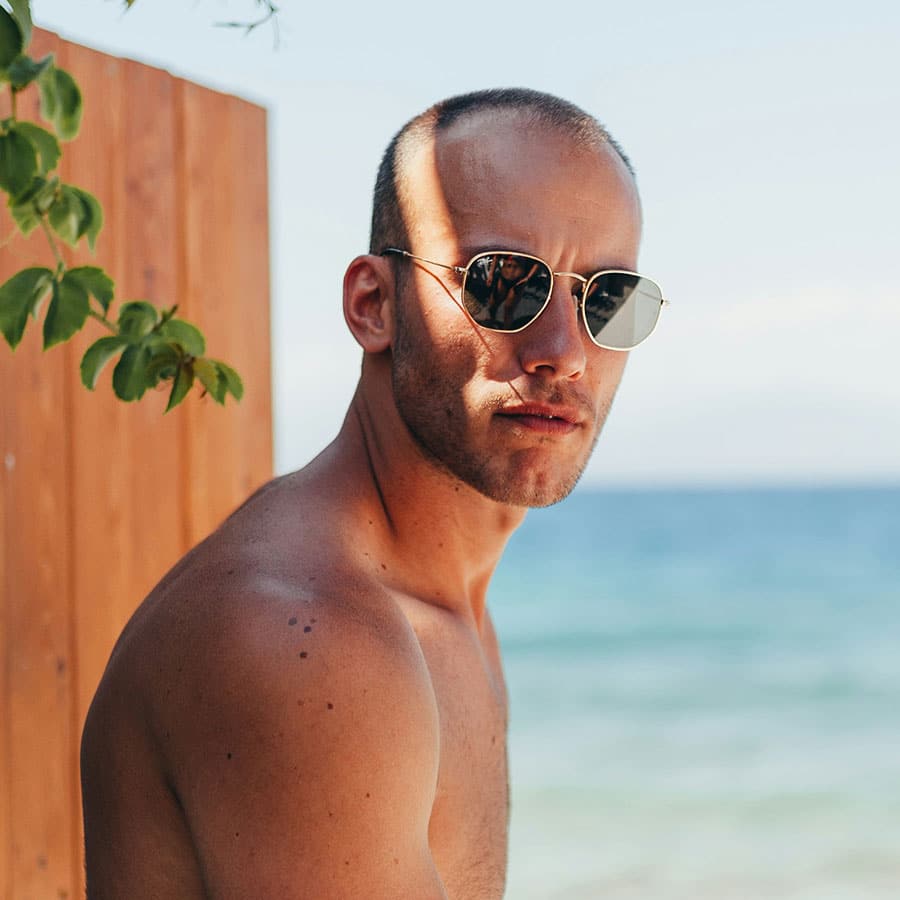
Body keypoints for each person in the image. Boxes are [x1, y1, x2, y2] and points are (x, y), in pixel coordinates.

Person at [80, 87, 665, 899]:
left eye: (606, 299)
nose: (563, 351)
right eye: (503, 284)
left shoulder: (433, 598)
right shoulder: (307, 642)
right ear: (373, 304)